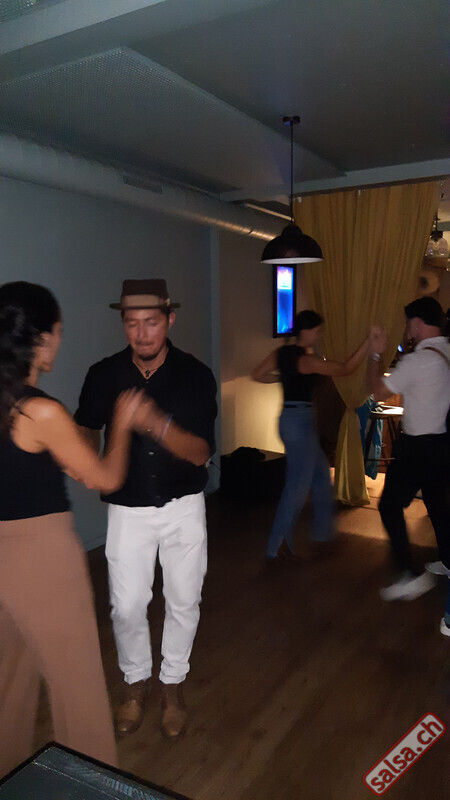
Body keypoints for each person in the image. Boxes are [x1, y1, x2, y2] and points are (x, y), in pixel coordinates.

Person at [0, 281, 143, 779]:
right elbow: (106, 478)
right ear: (40, 339)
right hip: (40, 557)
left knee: (8, 685)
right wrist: (122, 422)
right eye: (58, 332)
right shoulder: (39, 411)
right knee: (78, 690)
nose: (59, 342)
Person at [74, 279, 217, 739]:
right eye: (132, 323)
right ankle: (135, 681)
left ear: (169, 320)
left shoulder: (195, 374)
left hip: (183, 507)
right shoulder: (103, 374)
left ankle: (172, 684)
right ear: (123, 324)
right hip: (127, 510)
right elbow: (84, 427)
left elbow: (200, 452)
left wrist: (154, 423)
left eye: (151, 322)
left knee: (184, 600)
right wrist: (89, 454)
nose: (141, 333)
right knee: (127, 605)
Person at [252, 310, 369, 562]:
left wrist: (282, 379)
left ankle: (323, 534)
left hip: (288, 418)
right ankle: (276, 544)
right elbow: (346, 368)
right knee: (296, 485)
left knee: (319, 475)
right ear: (305, 331)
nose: (319, 335)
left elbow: (257, 374)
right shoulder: (307, 360)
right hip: (300, 423)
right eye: (317, 331)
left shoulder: (281, 353)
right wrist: (368, 343)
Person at [367, 296, 450, 609]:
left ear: (416, 323)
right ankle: (448, 561)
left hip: (417, 446)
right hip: (442, 443)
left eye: (408, 322)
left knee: (389, 506)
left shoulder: (419, 361)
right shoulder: (446, 351)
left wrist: (376, 353)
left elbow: (377, 391)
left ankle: (408, 574)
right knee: (438, 506)